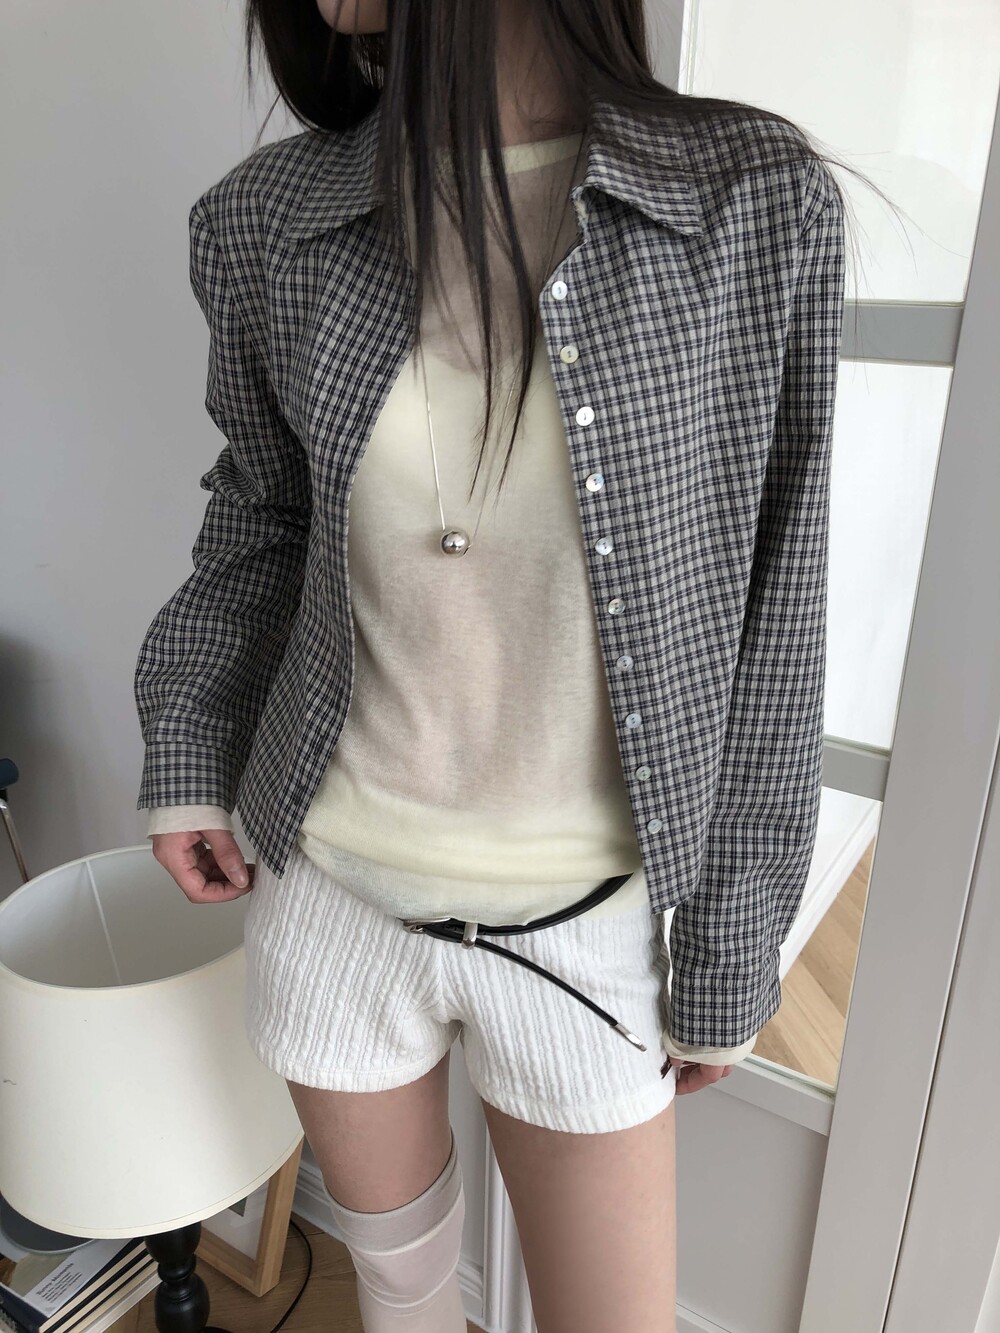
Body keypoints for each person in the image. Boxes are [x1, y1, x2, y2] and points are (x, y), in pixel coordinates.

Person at [132, 1, 870, 1328]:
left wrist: (730, 945)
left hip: (592, 926)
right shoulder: (265, 220)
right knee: (403, 1299)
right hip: (331, 899)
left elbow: (776, 604)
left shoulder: (746, 202)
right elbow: (262, 511)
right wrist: (190, 739)